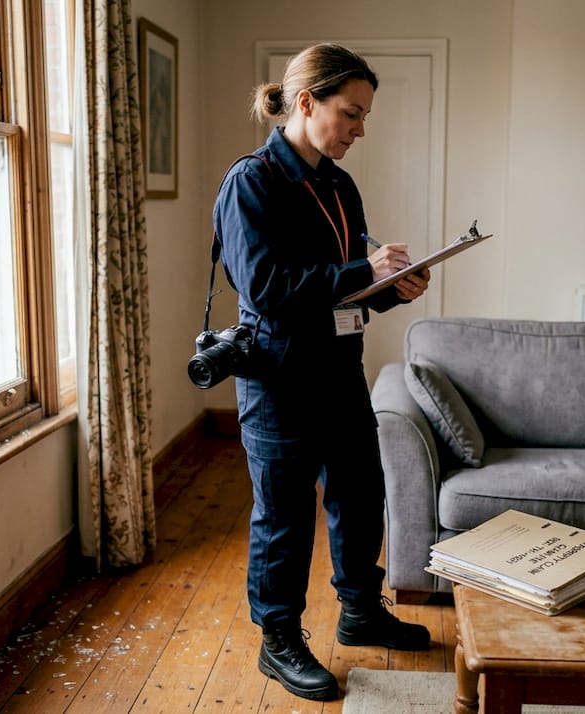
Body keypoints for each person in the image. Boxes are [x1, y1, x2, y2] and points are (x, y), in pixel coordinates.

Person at [212, 43, 432, 702]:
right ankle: (278, 641)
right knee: (284, 516)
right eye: (352, 113)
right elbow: (267, 287)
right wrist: (365, 271)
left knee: (360, 494)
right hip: (278, 375)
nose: (360, 129)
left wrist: (393, 287)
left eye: (365, 116)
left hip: (340, 367)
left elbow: (346, 287)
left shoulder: (339, 184)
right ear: (307, 102)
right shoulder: (251, 182)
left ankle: (359, 611)